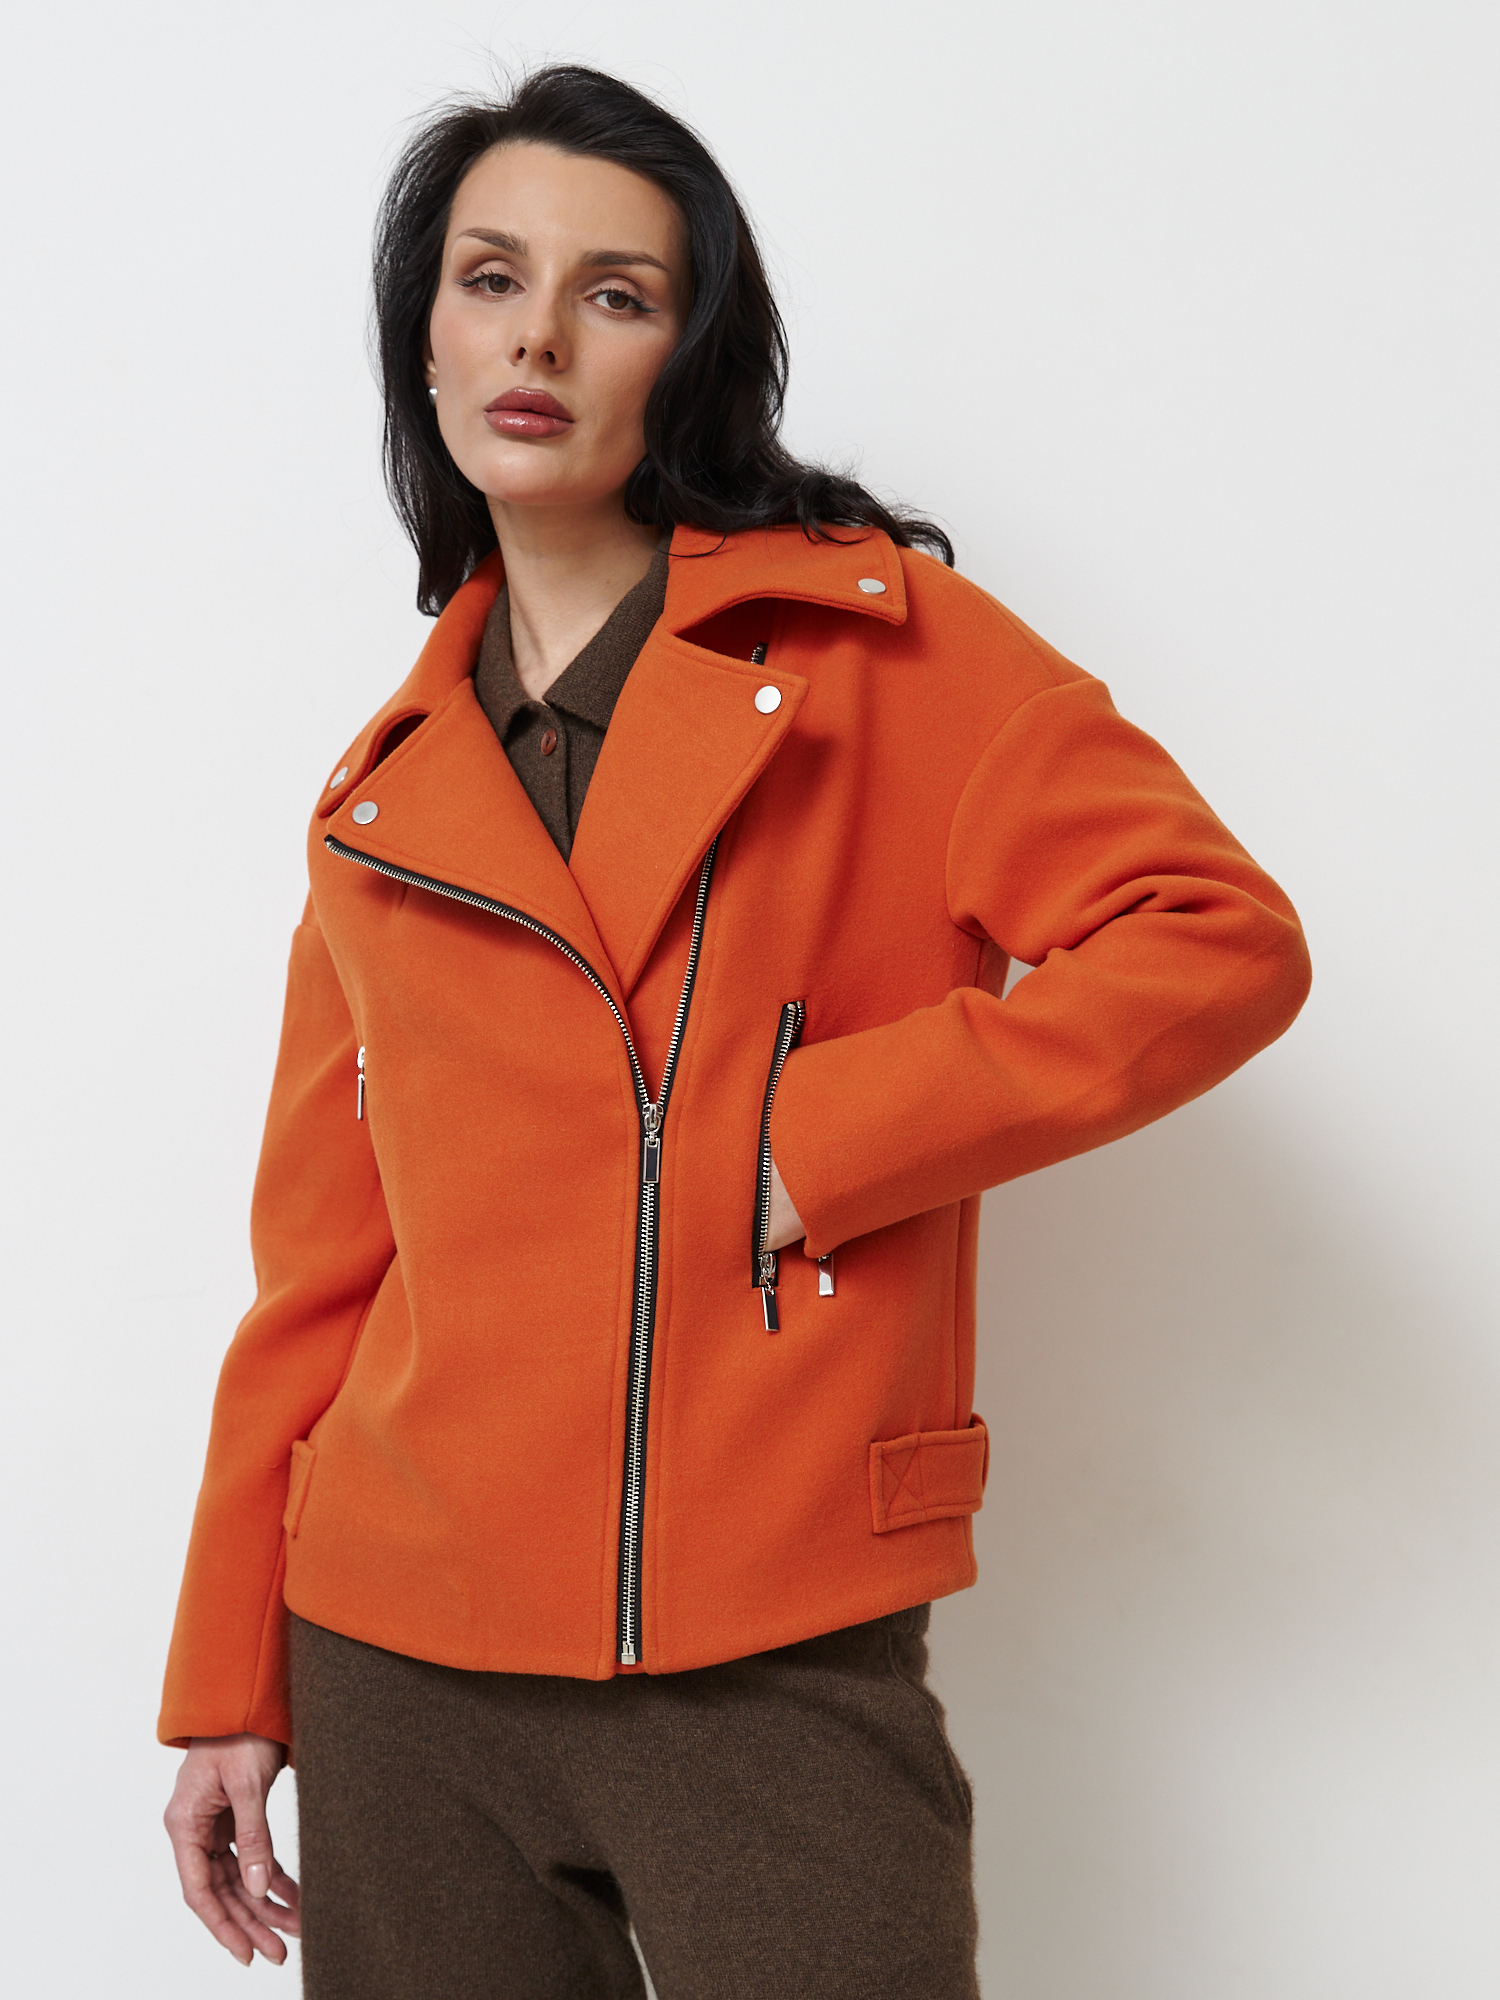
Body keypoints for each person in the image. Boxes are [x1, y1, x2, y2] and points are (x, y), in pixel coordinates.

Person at [159, 64, 1311, 2000]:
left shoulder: (890, 654)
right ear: (424, 337)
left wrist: (815, 1138)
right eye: (488, 278)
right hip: (399, 1663)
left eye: (613, 293)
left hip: (770, 1656)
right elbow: (319, 1275)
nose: (536, 335)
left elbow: (1214, 939)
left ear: (689, 355)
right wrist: (229, 1679)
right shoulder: (384, 789)